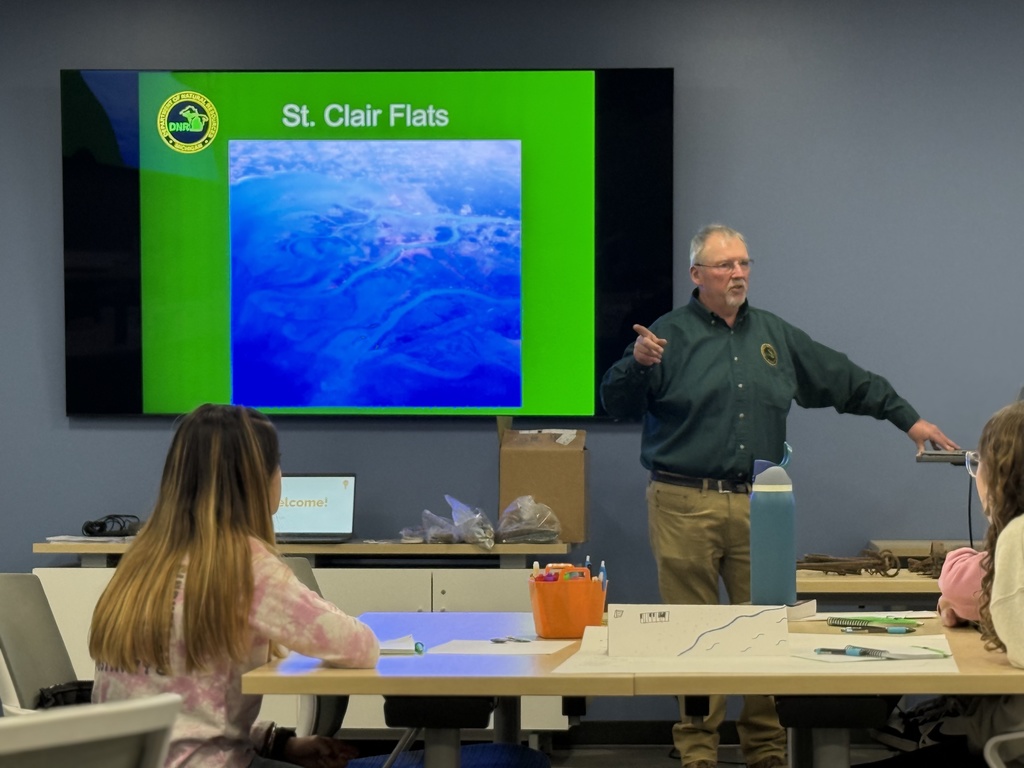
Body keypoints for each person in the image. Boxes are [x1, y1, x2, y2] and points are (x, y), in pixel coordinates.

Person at [599, 223, 958, 768]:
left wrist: (908, 421)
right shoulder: (664, 337)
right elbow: (616, 403)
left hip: (758, 503)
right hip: (682, 502)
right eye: (725, 266)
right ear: (697, 275)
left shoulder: (773, 336)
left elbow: (845, 379)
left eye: (744, 263)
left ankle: (766, 752)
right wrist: (636, 363)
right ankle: (697, 754)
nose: (739, 273)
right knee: (692, 634)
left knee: (764, 630)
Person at [89, 404, 380, 768]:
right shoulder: (247, 567)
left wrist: (275, 742)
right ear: (261, 479)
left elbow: (185, 706)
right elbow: (361, 647)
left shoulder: (140, 564)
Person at [871, 400, 1024, 766]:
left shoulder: (1018, 537)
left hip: (1010, 737)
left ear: (1002, 474)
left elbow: (968, 588)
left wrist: (978, 609)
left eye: (978, 464)